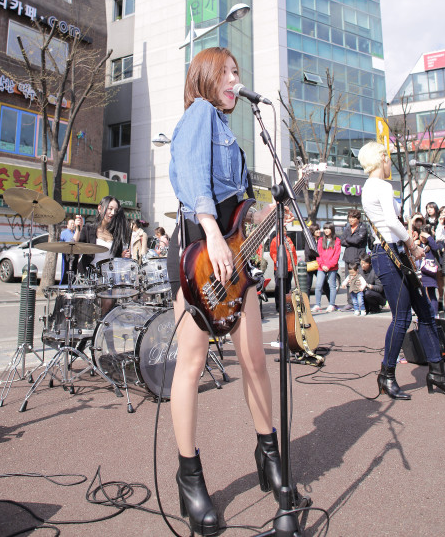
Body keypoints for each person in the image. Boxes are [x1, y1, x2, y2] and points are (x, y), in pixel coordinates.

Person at [167, 47, 287, 536]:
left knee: (255, 359)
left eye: (238, 73)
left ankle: (269, 454)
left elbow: (237, 204)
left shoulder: (232, 132)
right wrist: (213, 232)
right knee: (191, 366)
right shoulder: (199, 114)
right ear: (207, 77)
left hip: (235, 258)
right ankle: (189, 476)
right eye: (228, 73)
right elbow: (191, 176)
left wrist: (259, 219)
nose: (236, 80)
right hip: (202, 251)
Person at [358, 141, 445, 400]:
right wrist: (411, 244)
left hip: (390, 253)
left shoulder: (369, 187)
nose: (389, 163)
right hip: (390, 253)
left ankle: (437, 375)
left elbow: (389, 223)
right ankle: (387, 373)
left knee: (426, 313)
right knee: (403, 317)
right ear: (382, 158)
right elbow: (392, 223)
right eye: (388, 158)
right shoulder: (381, 185)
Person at [74, 196, 131, 274]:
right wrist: (78, 231)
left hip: (109, 277)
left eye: (116, 210)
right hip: (89, 277)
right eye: (110, 209)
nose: (113, 213)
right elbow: (73, 247)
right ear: (100, 208)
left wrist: (123, 256)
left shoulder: (116, 233)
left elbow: (117, 258)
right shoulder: (88, 229)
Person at [340, 209, 369, 306]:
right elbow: (341, 240)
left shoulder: (363, 228)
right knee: (349, 280)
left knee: (360, 280)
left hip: (358, 258)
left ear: (358, 218)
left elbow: (358, 240)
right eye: (349, 217)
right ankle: (350, 302)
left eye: (353, 217)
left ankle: (362, 303)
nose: (351, 219)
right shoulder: (347, 228)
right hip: (348, 257)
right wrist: (350, 240)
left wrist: (348, 239)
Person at [313, 222, 341, 313]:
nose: (326, 230)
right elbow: (318, 254)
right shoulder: (321, 240)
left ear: (332, 229)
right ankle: (317, 304)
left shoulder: (337, 240)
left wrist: (329, 266)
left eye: (328, 228)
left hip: (332, 267)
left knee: (332, 286)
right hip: (321, 267)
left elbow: (336, 256)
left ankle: (331, 304)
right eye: (324, 228)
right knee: (318, 285)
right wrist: (322, 265)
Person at [269, 226, 297, 312]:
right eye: (282, 230)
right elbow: (273, 253)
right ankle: (279, 306)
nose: (284, 232)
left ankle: (287, 304)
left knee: (288, 287)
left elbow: (293, 253)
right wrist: (279, 263)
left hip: (289, 267)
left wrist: (294, 264)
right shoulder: (275, 240)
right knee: (279, 287)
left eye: (285, 230)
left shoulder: (288, 239)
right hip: (280, 267)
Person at [59, 217, 81, 284]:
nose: (73, 225)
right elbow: (61, 243)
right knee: (65, 269)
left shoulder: (76, 233)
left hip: (75, 254)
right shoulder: (64, 233)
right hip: (66, 254)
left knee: (74, 269)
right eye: (71, 224)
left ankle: (73, 283)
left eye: (73, 224)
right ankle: (63, 284)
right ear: (67, 225)